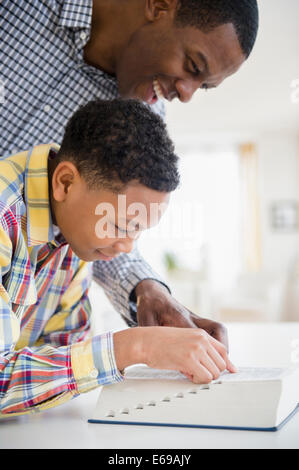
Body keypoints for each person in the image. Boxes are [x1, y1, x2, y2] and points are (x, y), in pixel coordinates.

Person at [0, 0, 259, 347]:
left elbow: (93, 225)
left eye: (203, 86)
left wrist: (146, 289)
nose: (186, 94)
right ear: (160, 5)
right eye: (193, 65)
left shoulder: (138, 118)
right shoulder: (21, 9)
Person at [0, 99, 236, 416]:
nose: (125, 248)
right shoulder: (6, 214)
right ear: (65, 183)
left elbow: (60, 351)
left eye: (137, 231)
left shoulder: (73, 235)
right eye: (118, 225)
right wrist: (136, 346)